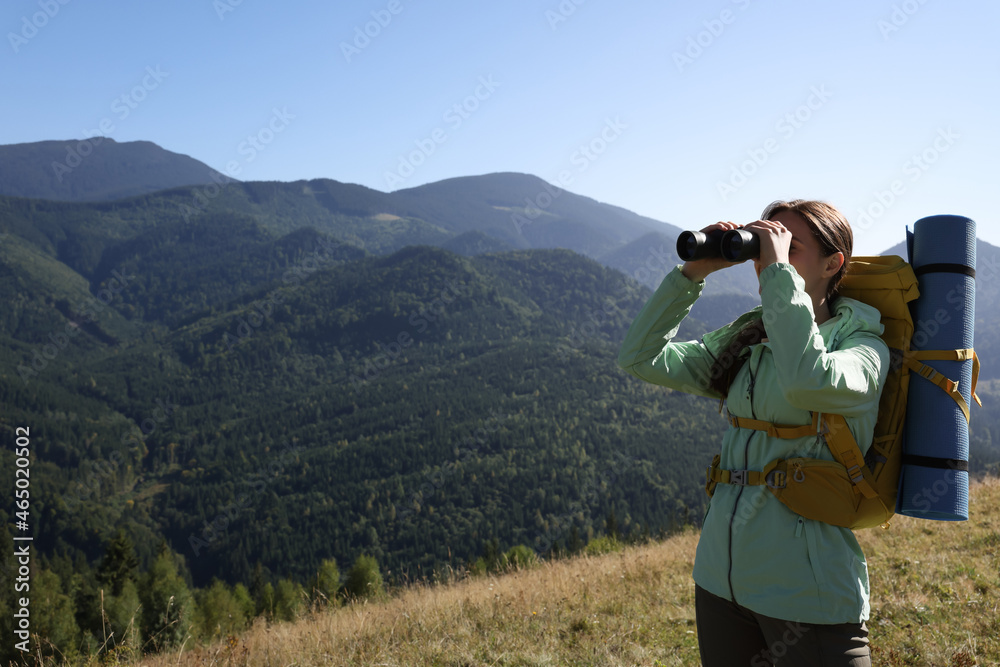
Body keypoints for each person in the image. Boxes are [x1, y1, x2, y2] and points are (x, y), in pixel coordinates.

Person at [617, 200, 889, 666]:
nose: (767, 258)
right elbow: (640, 358)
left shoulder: (864, 347)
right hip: (720, 585)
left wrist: (779, 274)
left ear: (832, 263)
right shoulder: (751, 339)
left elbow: (807, 378)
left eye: (787, 246)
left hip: (807, 597)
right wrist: (692, 274)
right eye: (763, 245)